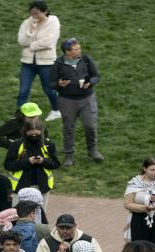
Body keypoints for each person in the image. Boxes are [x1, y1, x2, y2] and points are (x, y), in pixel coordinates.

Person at [53, 37, 103, 166]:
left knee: (90, 126)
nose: (79, 51)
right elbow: (50, 83)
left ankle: (92, 150)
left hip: (87, 98)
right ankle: (69, 156)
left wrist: (90, 83)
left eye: (79, 48)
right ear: (67, 52)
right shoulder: (58, 64)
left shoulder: (85, 60)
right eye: (76, 50)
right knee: (68, 128)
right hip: (67, 100)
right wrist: (60, 84)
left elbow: (96, 76)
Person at [16, 1, 61, 119]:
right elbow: (21, 42)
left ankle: (56, 111)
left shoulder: (53, 21)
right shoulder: (27, 23)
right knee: (23, 91)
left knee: (49, 90)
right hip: (27, 63)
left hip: (46, 63)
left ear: (45, 11)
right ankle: (19, 116)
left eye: (37, 13)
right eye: (32, 13)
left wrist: (31, 46)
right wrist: (31, 29)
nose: (34, 16)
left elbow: (49, 42)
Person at [4, 117, 60, 208]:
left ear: (41, 131)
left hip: (42, 186)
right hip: (20, 187)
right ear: (25, 132)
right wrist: (27, 162)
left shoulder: (48, 145)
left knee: (40, 216)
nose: (34, 136)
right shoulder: (16, 145)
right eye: (31, 134)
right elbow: (8, 165)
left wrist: (43, 161)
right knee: (17, 215)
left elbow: (56, 164)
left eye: (37, 134)